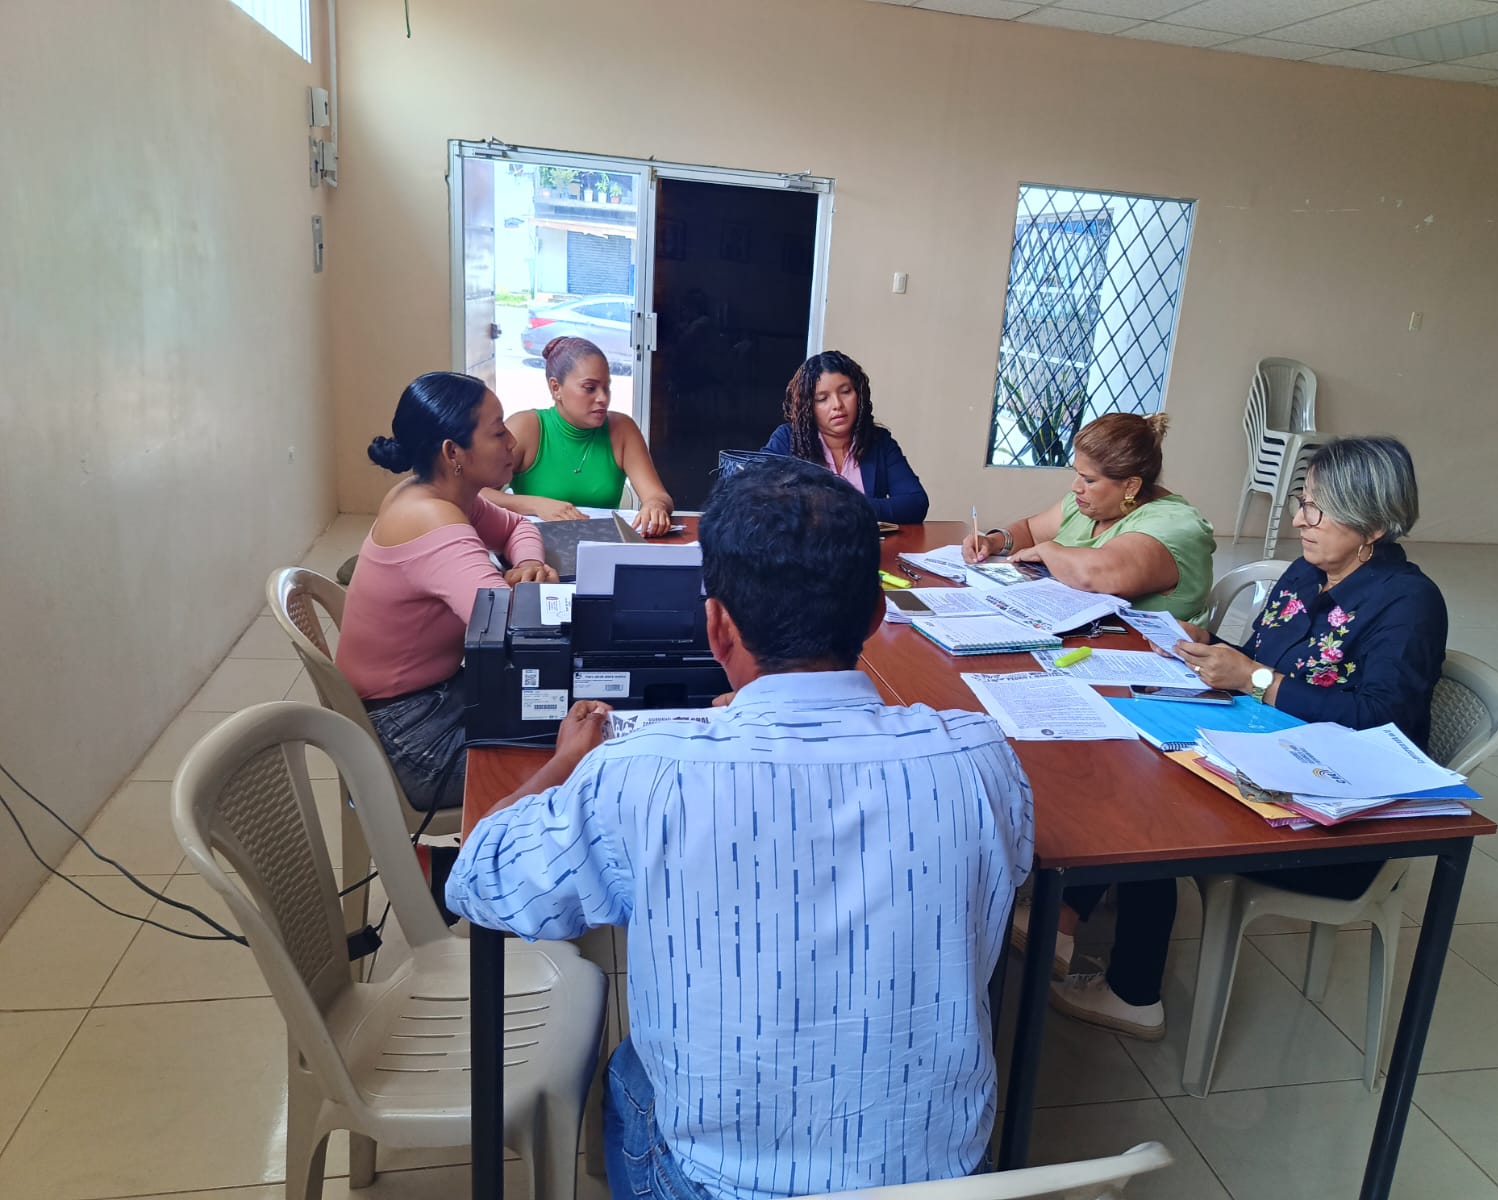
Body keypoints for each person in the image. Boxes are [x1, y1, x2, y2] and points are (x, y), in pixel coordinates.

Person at [447, 460, 1033, 1200]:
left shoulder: (643, 773)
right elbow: (1008, 869)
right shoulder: (981, 758)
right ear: (876, 617)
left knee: (628, 1071)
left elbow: (479, 876)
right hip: (943, 1182)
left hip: (715, 1182)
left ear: (716, 626)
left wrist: (565, 764)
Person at [1049, 436, 1447, 1041]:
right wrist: (1205, 644)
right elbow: (1261, 661)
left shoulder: (1409, 603)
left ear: (1371, 521)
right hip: (1257, 751)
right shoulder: (1306, 572)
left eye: (1317, 508)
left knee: (1151, 805)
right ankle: (1063, 915)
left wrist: (1254, 678)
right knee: (1123, 753)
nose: (1299, 520)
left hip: (1333, 804)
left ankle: (1132, 990)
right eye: (1302, 502)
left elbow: (1378, 718)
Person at [337, 372, 557, 817]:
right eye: (497, 431)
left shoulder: (440, 493)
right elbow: (511, 625)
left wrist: (528, 565)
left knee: (558, 716)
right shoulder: (432, 519)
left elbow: (517, 527)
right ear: (453, 452)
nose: (512, 441)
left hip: (437, 693)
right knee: (567, 756)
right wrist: (524, 586)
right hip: (408, 733)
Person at [962, 412, 1215, 621]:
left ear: (1130, 486)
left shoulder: (1175, 526)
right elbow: (1030, 530)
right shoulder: (1090, 505)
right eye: (1077, 474)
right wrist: (994, 541)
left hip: (1148, 656)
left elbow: (1096, 575)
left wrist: (1047, 550)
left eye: (1089, 480)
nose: (1076, 487)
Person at [484, 335, 675, 536]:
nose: (602, 398)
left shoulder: (622, 429)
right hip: (534, 547)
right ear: (555, 388)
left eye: (606, 387)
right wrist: (536, 505)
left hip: (601, 546)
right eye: (590, 388)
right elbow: (477, 493)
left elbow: (658, 495)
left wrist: (655, 506)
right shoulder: (527, 427)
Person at [760, 350, 930, 524]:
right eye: (822, 398)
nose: (837, 405)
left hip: (867, 541)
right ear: (808, 407)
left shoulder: (879, 441)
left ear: (859, 394)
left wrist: (847, 507)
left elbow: (915, 502)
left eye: (845, 391)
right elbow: (758, 497)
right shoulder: (788, 439)